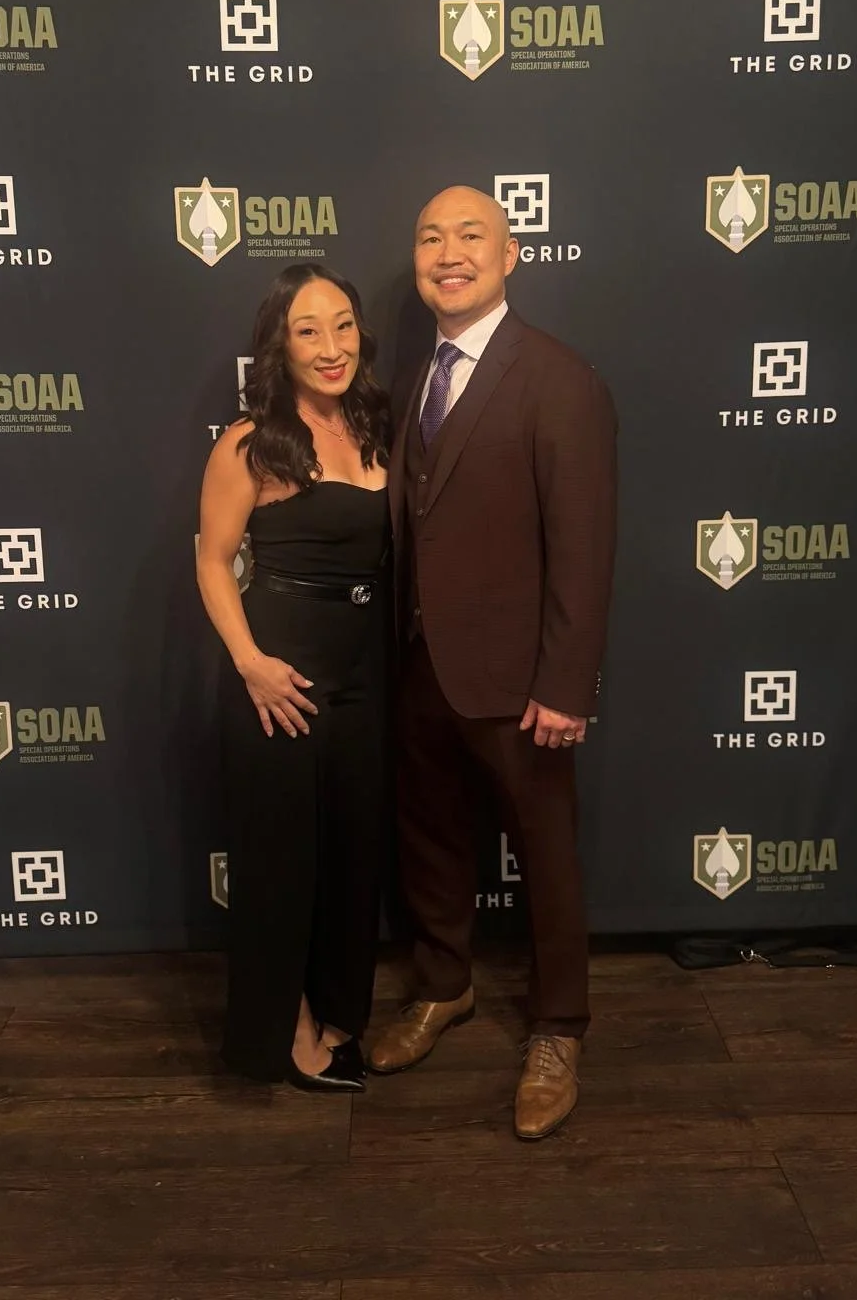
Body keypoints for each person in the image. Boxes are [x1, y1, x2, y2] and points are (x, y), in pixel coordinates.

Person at [368, 185, 618, 1140]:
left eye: (471, 235)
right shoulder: (411, 380)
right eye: (430, 236)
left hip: (521, 681)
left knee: (546, 851)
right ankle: (444, 987)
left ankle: (559, 1028)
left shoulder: (558, 378)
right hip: (420, 661)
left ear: (512, 254)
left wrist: (565, 681)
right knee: (429, 834)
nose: (448, 252)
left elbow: (584, 544)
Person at [197, 263, 391, 1092]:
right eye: (308, 330)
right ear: (280, 344)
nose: (330, 346)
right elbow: (210, 561)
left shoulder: (375, 423)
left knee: (352, 854)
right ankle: (286, 1033)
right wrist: (251, 665)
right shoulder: (250, 442)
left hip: (365, 670)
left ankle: (341, 1006)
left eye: (342, 325)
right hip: (280, 675)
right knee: (281, 866)